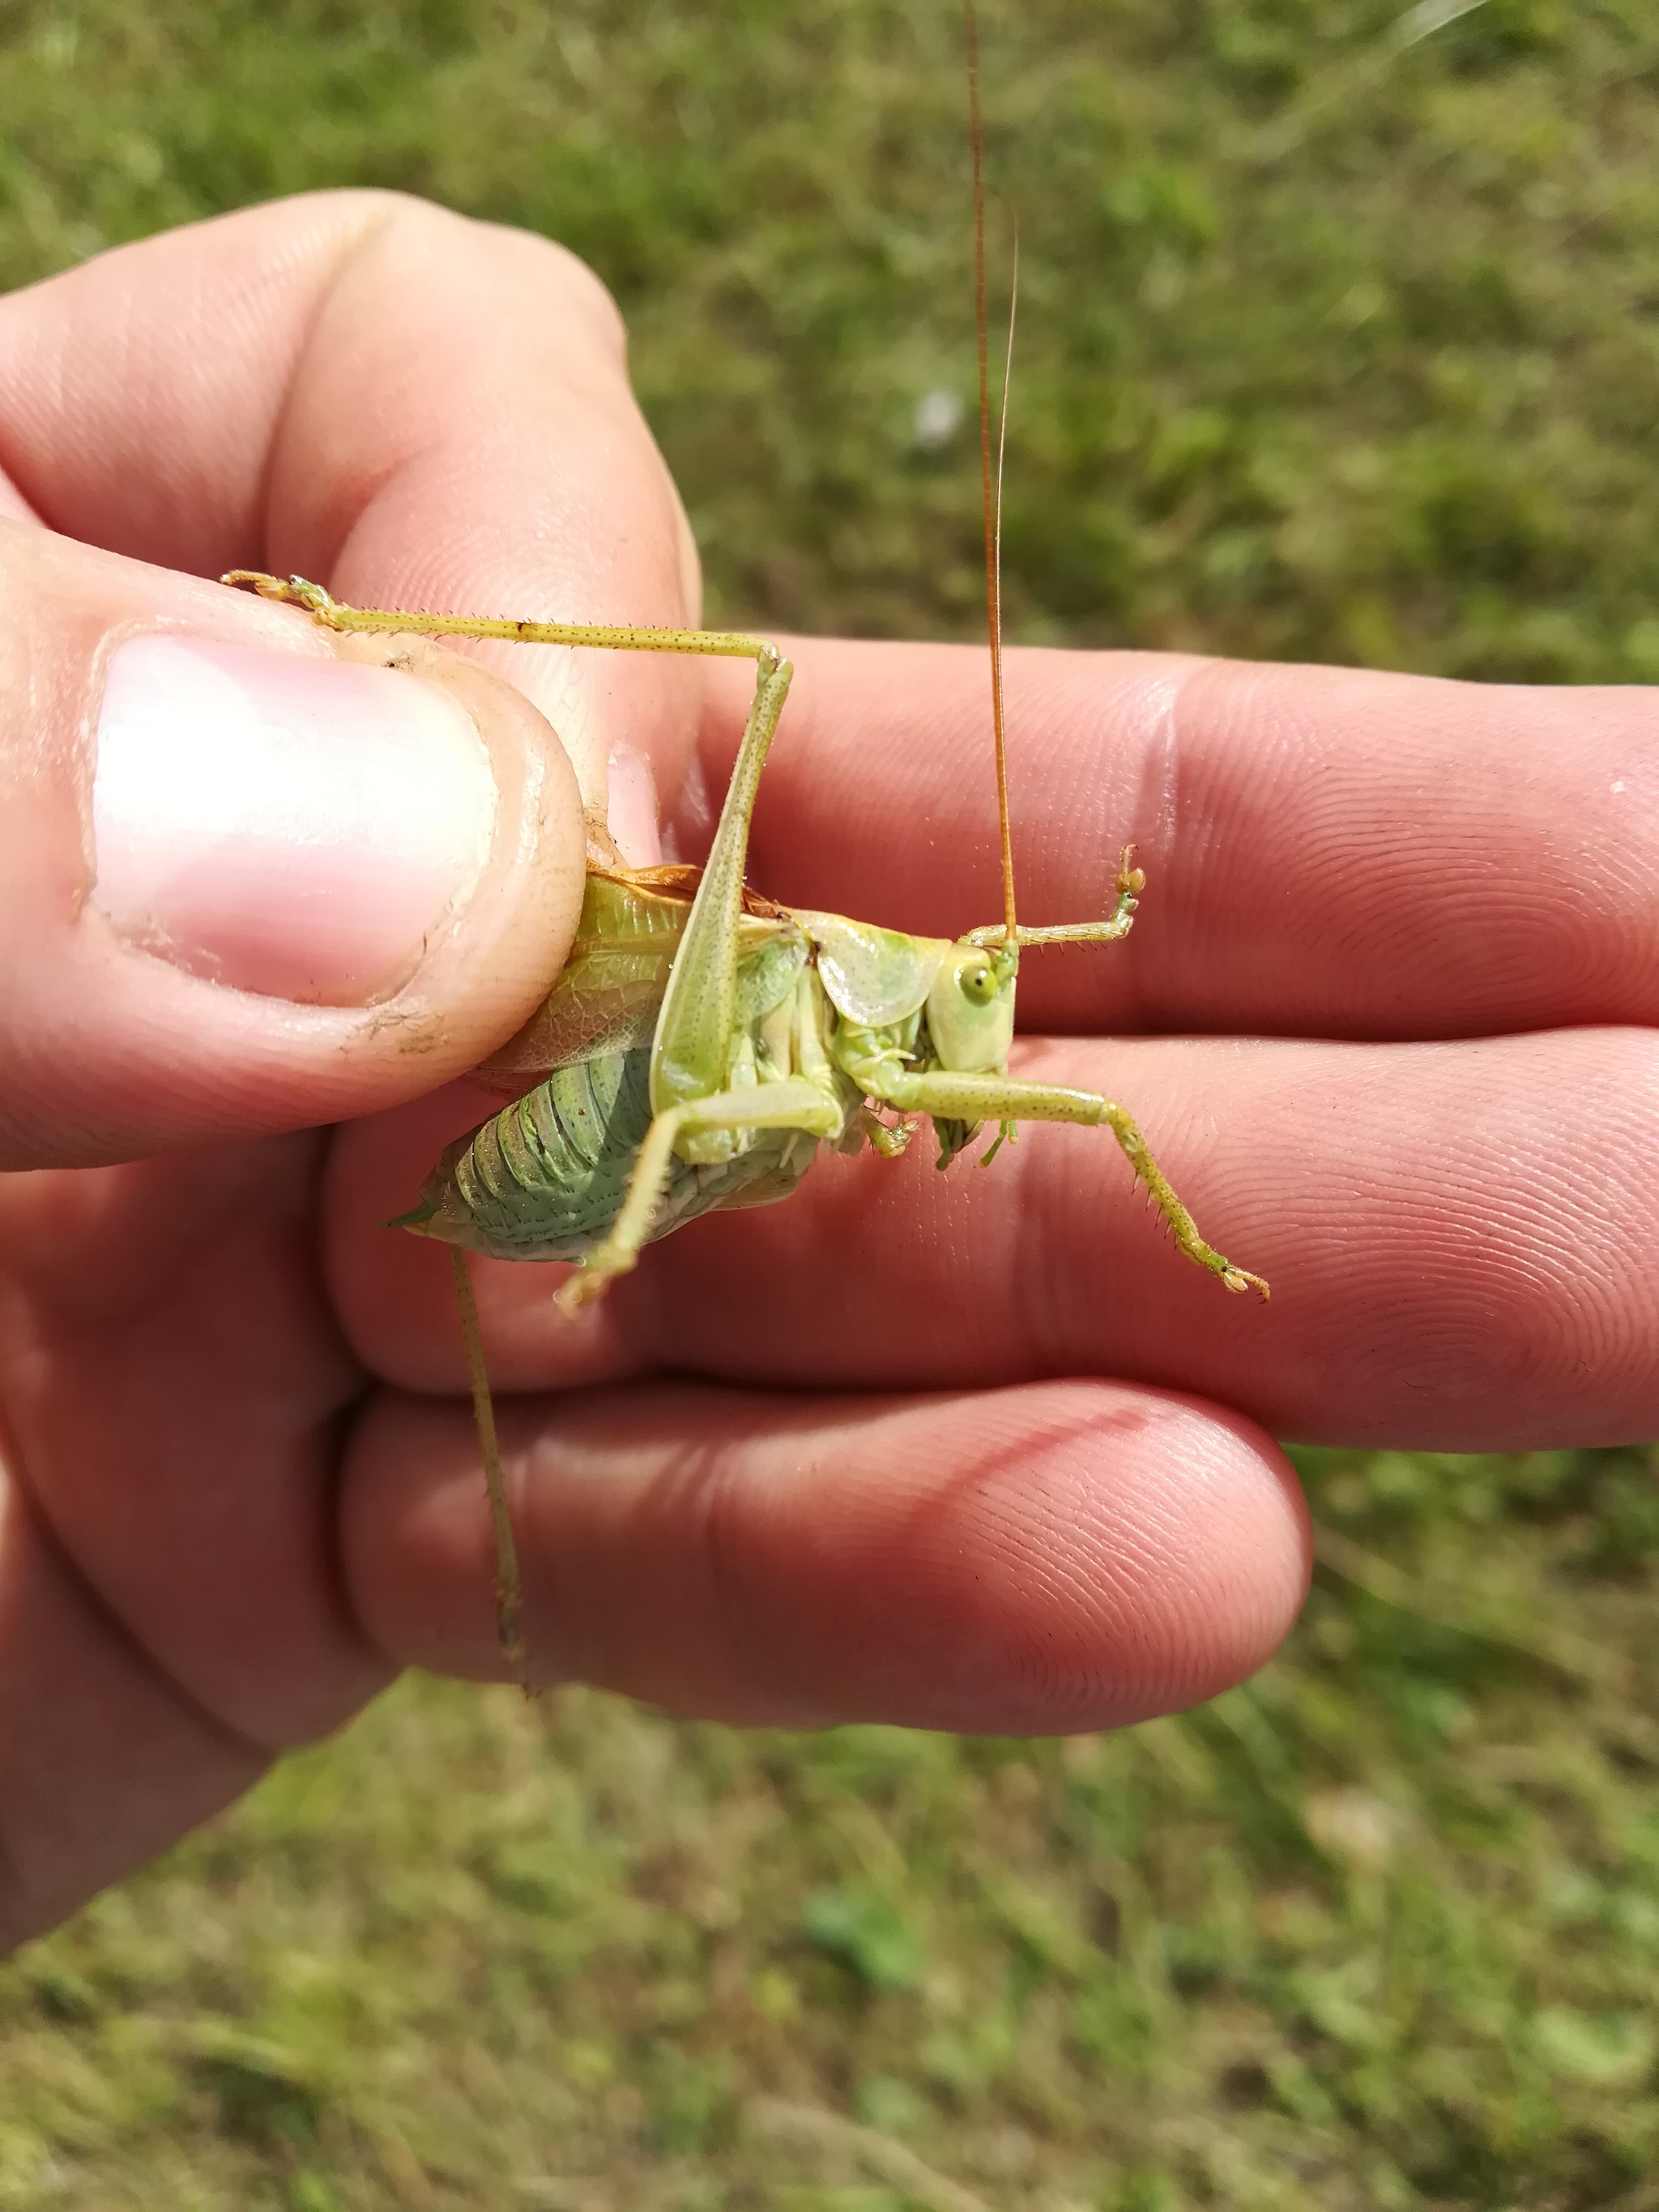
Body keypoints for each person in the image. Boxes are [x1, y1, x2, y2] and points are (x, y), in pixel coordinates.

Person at [1, 193, 1652, 1952]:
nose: (980, 1037)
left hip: (598, 1146)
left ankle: (527, 1421)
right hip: (650, 1091)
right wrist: (635, 1224)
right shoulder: (802, 1013)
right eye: (969, 993)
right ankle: (360, 637)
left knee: (1018, 1123)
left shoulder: (921, 1032)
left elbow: (1003, 1000)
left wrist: (1076, 936)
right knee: (773, 711)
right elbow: (827, 1092)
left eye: (982, 997)